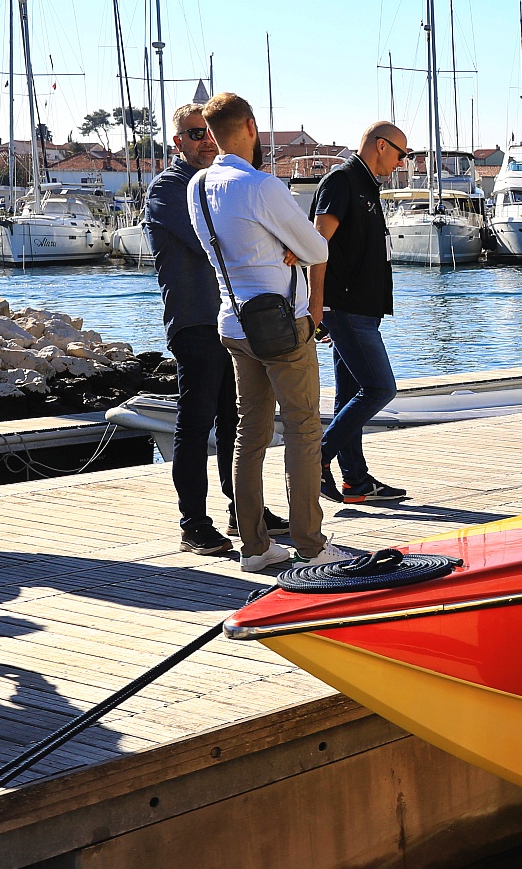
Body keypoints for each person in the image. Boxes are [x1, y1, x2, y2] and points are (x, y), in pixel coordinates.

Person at [188, 91, 350, 571]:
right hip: (281, 324)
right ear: (251, 127)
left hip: (233, 321)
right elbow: (318, 249)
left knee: (249, 432)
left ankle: (255, 547)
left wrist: (289, 245)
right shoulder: (262, 186)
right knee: (303, 429)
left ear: (211, 133)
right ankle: (311, 544)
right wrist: (293, 247)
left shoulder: (197, 186)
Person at [144, 103, 282, 555]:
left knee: (234, 423)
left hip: (231, 320)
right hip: (195, 322)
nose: (205, 140)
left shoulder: (219, 184)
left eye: (209, 132)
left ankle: (244, 511)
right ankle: (193, 524)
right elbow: (220, 240)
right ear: (176, 142)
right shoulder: (169, 189)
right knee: (195, 422)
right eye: (194, 133)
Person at [313, 123, 411, 504]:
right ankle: (318, 457)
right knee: (380, 388)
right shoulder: (342, 181)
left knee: (350, 395)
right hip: (345, 309)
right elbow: (317, 244)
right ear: (381, 146)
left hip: (361, 310)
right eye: (401, 154)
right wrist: (316, 306)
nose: (402, 163)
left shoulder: (369, 186)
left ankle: (355, 481)